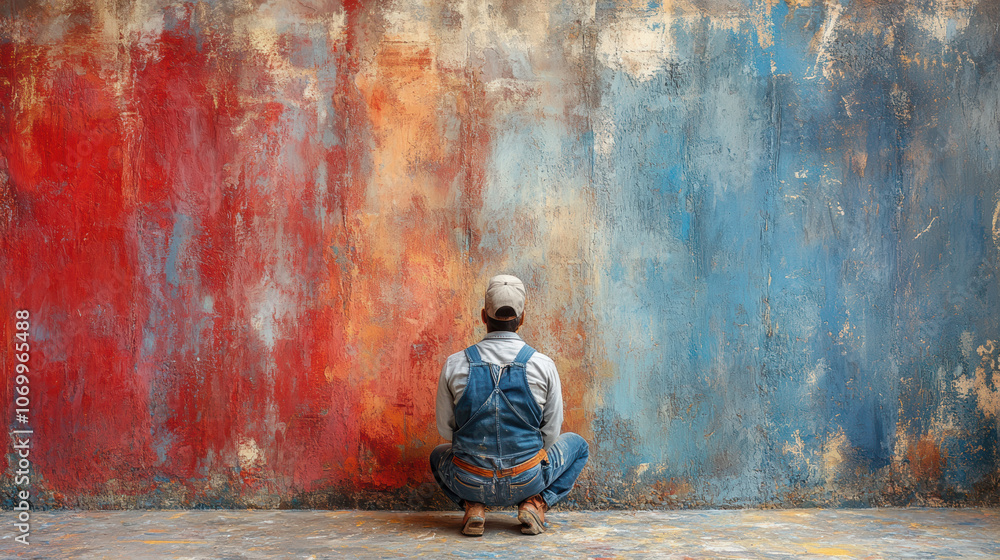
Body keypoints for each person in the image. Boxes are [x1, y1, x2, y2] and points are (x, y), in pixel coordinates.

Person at [430, 274, 589, 536]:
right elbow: (551, 433)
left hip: (468, 479)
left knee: (438, 455)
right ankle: (535, 503)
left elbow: (447, 430)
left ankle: (473, 506)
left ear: (483, 316)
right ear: (522, 318)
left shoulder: (455, 363)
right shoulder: (543, 365)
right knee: (579, 446)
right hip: (527, 479)